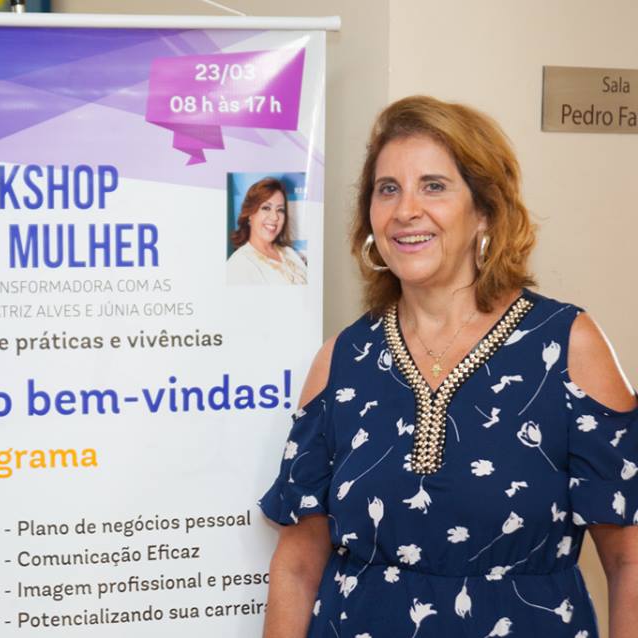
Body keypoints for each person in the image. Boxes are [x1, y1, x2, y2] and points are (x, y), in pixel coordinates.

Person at [259, 96, 638, 638]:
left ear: (485, 210)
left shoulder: (567, 346)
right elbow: (297, 567)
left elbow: (629, 560)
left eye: (433, 186)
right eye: (388, 189)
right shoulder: (341, 360)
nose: (405, 210)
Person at [226, 177, 307, 284]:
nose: (275, 217)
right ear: (250, 214)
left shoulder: (289, 252)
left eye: (280, 210)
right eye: (266, 208)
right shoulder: (238, 265)